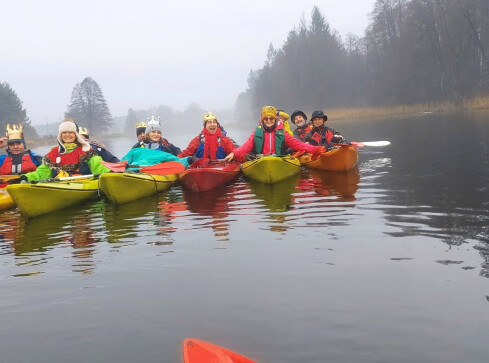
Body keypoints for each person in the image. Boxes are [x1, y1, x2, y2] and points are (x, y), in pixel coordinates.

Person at [10, 118, 110, 183]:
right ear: (60, 136)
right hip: (60, 185)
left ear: (75, 135)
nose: (67, 135)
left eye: (71, 132)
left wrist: (110, 172)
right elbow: (41, 173)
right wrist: (24, 177)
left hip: (83, 183)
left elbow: (98, 166)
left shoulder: (86, 150)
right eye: (64, 132)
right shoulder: (53, 154)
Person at [224, 106, 324, 163]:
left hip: (278, 159)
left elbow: (299, 145)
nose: (268, 121)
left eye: (271, 119)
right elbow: (246, 146)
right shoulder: (256, 132)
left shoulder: (282, 132)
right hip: (261, 160)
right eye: (266, 119)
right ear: (262, 120)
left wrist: (315, 149)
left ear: (275, 120)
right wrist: (234, 153)